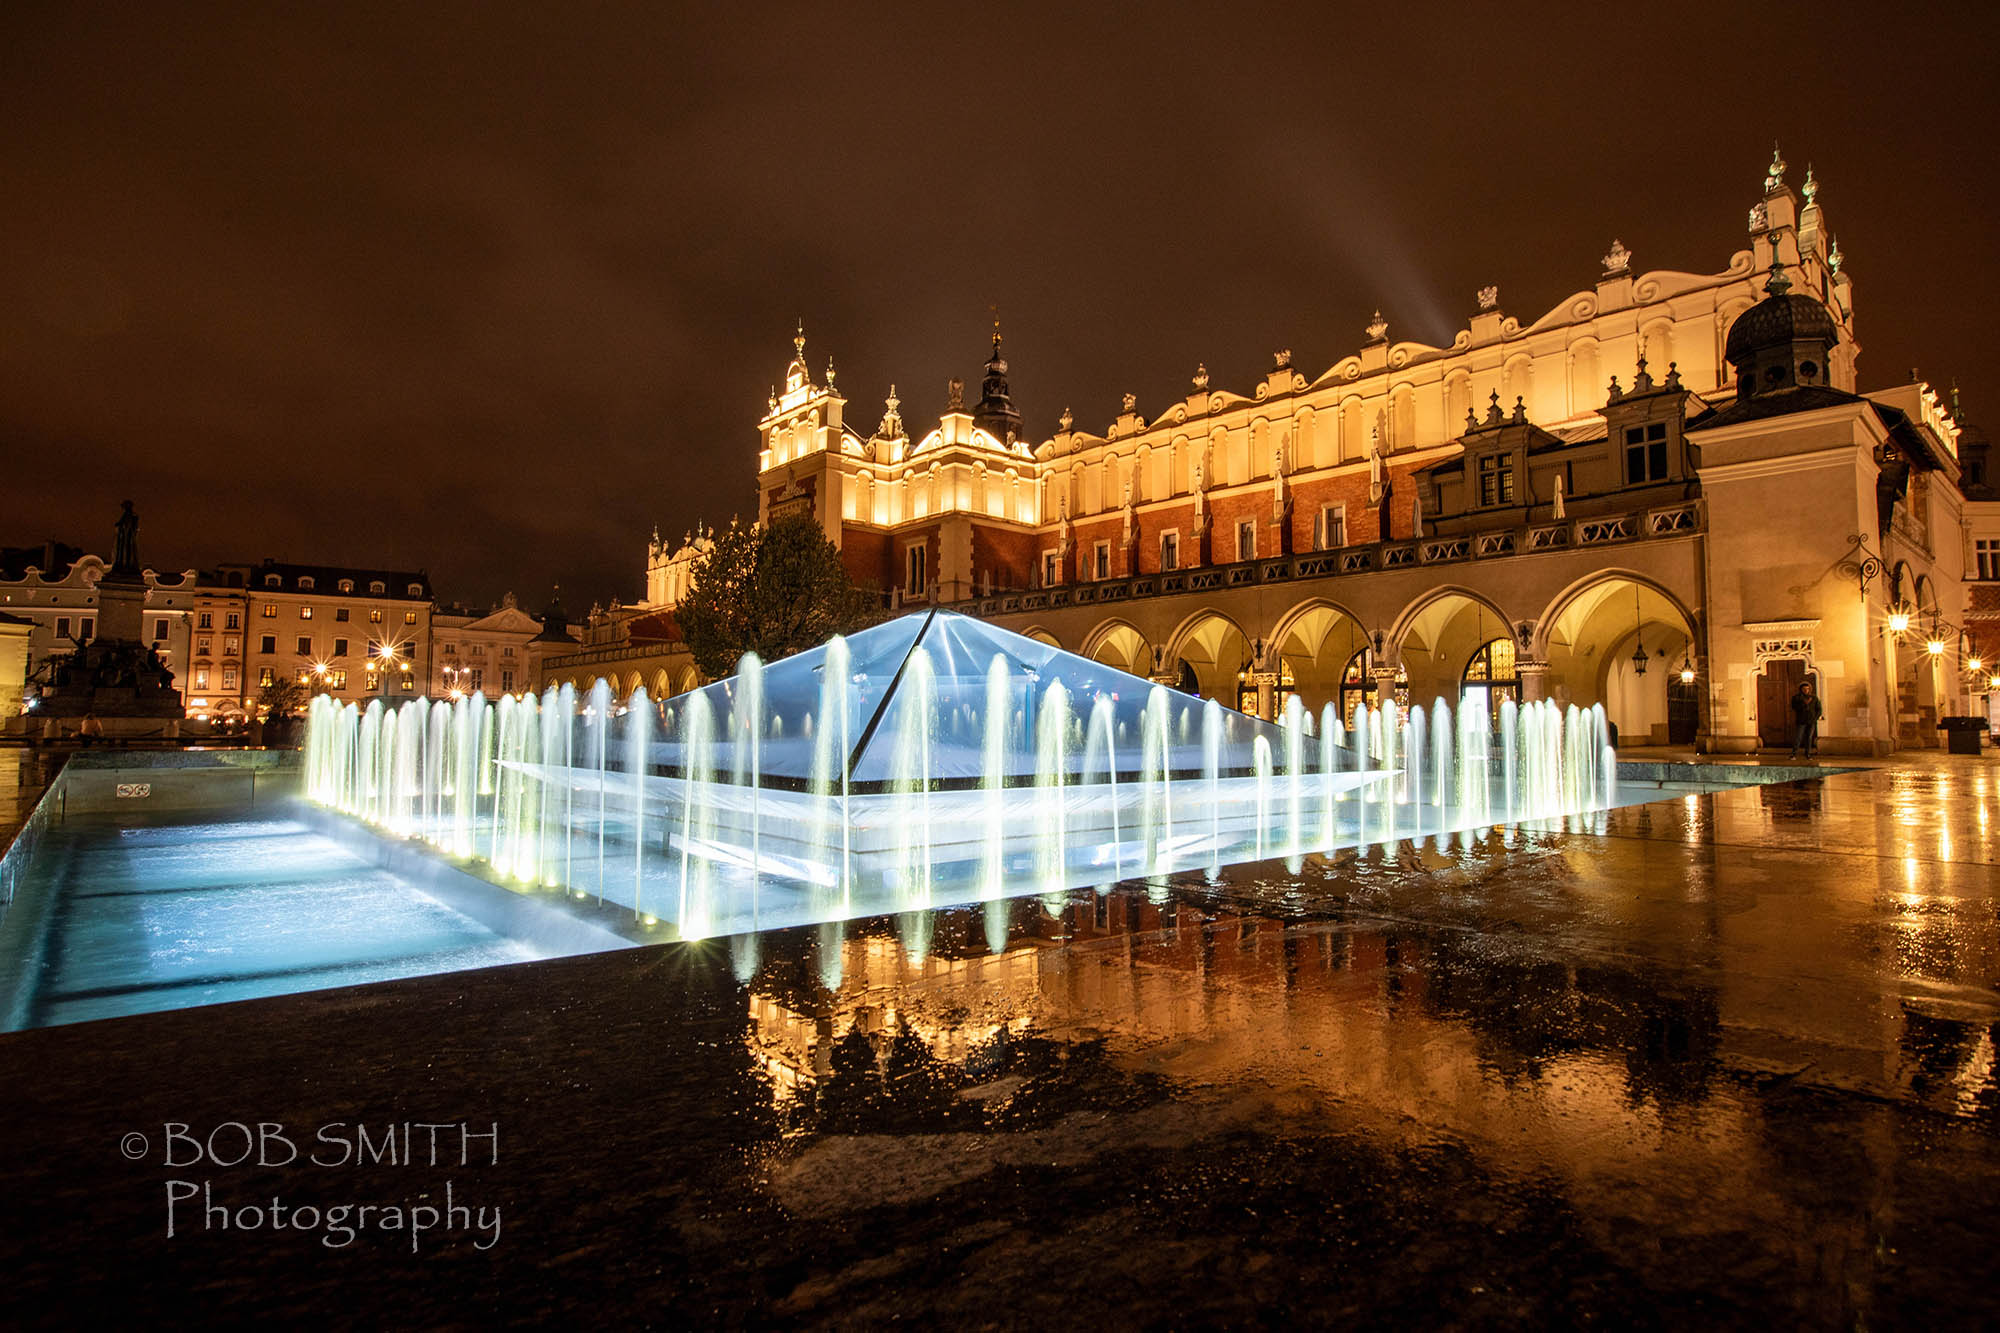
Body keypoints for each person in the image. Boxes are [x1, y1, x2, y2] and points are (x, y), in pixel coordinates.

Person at [1787, 680, 1822, 760]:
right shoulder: (1796, 698)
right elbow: (1794, 707)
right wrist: (1804, 704)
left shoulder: (1814, 698)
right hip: (1801, 721)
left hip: (1811, 721)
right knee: (1798, 737)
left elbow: (1819, 709)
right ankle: (1794, 754)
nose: (1806, 690)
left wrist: (1815, 718)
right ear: (1801, 689)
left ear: (1809, 689)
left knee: (1809, 738)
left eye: (1807, 689)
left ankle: (1808, 754)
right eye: (1804, 689)